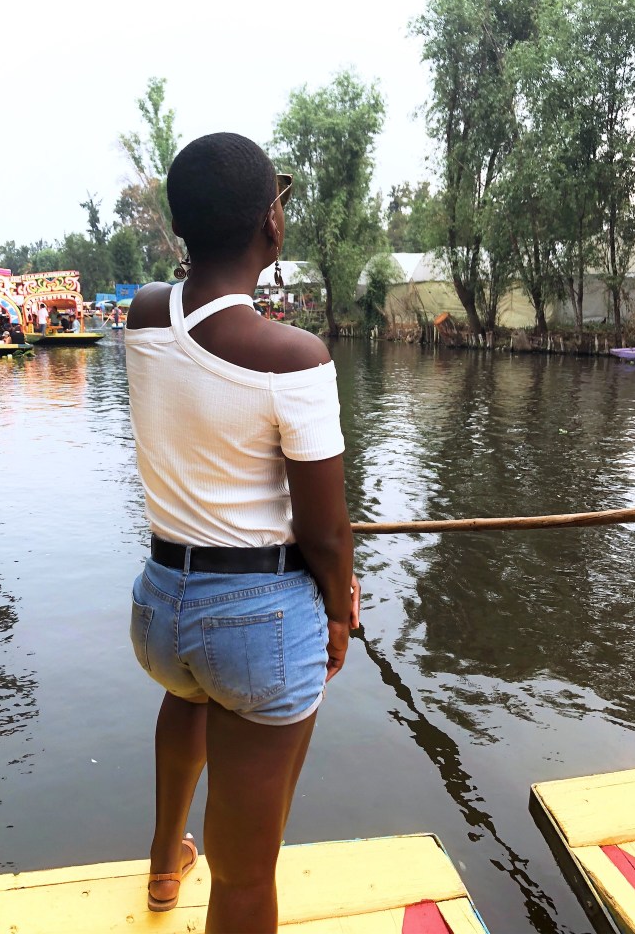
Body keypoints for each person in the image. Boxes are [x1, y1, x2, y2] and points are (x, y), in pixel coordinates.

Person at [125, 133, 359, 933]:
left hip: (161, 611)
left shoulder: (143, 312)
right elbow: (324, 532)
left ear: (182, 225)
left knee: (190, 692)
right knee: (246, 877)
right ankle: (208, 872)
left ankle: (164, 865)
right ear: (272, 222)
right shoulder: (292, 356)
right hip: (257, 626)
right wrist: (340, 611)